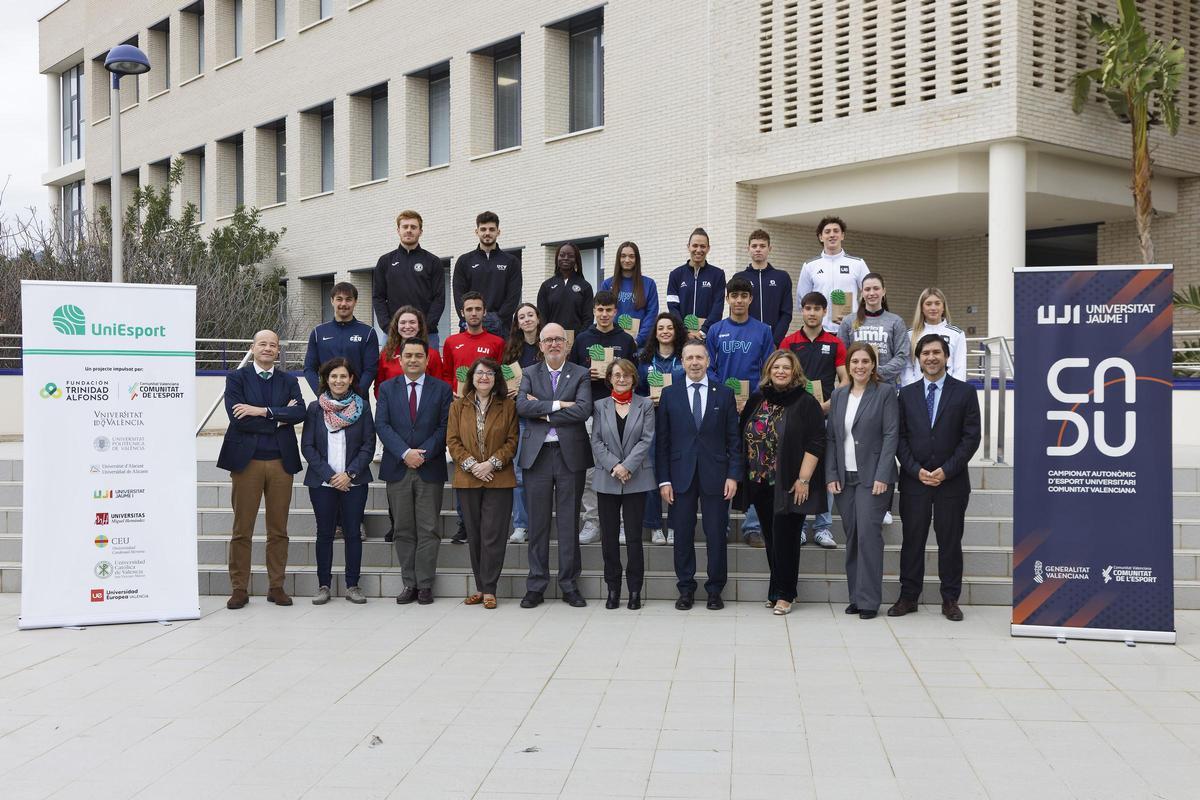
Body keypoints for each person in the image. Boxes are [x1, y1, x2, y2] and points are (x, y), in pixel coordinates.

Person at [890, 333, 981, 622]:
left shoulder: (965, 393)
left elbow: (971, 437)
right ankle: (908, 597)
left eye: (936, 352)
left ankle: (950, 599)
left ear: (946, 357)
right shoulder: (906, 394)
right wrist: (915, 469)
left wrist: (947, 470)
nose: (931, 357)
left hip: (951, 482)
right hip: (915, 481)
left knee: (950, 542)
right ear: (918, 360)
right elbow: (899, 438)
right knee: (912, 540)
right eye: (925, 353)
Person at [216, 329, 305, 609]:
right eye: (262, 344)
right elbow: (238, 419)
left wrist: (261, 411)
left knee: (278, 529)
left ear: (278, 351)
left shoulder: (289, 380)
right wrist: (279, 415)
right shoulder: (236, 379)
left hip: (281, 462)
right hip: (247, 462)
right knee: (243, 529)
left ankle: (276, 586)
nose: (268, 348)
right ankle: (239, 588)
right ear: (252, 348)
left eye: (273, 345)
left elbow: (300, 412)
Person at [734, 350, 826, 615]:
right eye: (776, 367)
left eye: (786, 368)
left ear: (794, 372)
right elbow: (744, 433)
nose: (781, 372)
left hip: (789, 482)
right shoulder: (756, 400)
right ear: (769, 371)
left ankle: (784, 594)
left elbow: (817, 442)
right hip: (759, 481)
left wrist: (803, 479)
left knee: (786, 538)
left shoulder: (805, 402)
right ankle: (780, 590)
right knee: (772, 538)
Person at [656, 340, 743, 611]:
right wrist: (664, 479)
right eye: (689, 358)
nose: (694, 362)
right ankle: (686, 589)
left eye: (699, 358)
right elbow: (663, 442)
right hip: (680, 476)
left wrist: (733, 475)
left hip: (716, 475)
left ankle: (715, 589)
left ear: (708, 361)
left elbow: (734, 440)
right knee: (682, 534)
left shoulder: (724, 394)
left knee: (716, 534)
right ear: (682, 362)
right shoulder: (670, 394)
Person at [516, 323, 594, 608]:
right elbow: (522, 407)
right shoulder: (528, 373)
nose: (553, 344)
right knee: (537, 524)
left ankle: (569, 584)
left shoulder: (581, 373)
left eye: (558, 339)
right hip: (537, 456)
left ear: (567, 343)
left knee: (568, 523)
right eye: (547, 340)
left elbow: (584, 409)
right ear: (540, 344)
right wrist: (561, 404)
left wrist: (545, 411)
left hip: (568, 455)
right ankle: (536, 585)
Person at [375, 338, 453, 605]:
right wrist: (404, 453)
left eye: (418, 355)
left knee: (429, 528)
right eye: (408, 355)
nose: (413, 360)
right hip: (397, 467)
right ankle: (409, 583)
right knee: (404, 529)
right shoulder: (386, 388)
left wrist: (423, 453)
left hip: (429, 467)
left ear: (427, 359)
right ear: (399, 359)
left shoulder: (442, 389)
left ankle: (426, 585)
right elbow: (382, 425)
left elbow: (444, 427)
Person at [825, 342, 898, 620]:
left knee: (869, 536)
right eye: (854, 361)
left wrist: (882, 474)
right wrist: (831, 474)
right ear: (848, 365)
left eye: (865, 361)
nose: (859, 366)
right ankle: (856, 596)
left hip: (873, 478)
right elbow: (832, 437)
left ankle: (868, 600)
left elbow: (891, 434)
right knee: (853, 536)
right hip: (845, 479)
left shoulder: (885, 393)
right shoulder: (839, 395)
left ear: (873, 365)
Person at [704, 275, 776, 548]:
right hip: (721, 406)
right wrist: (724, 396)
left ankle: (753, 526)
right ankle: (719, 525)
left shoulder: (763, 331)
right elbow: (709, 368)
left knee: (756, 464)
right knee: (721, 463)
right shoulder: (715, 330)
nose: (738, 301)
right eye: (734, 296)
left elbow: (770, 368)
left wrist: (753, 397)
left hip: (755, 407)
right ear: (727, 298)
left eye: (744, 296)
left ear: (750, 299)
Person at [300, 357, 376, 605]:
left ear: (351, 379)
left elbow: (368, 445)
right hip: (323, 483)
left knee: (353, 533)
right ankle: (324, 585)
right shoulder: (315, 408)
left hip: (354, 481)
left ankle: (352, 585)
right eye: (333, 376)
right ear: (326, 379)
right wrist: (331, 476)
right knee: (324, 533)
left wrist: (349, 474)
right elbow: (308, 447)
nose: (338, 380)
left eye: (343, 376)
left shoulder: (362, 406)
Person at [447, 357, 519, 610]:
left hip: (498, 478)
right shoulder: (458, 406)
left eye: (489, 373)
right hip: (468, 478)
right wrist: (472, 466)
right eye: (479, 373)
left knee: (493, 535)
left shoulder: (508, 405)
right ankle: (480, 586)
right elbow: (453, 441)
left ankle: (490, 589)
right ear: (472, 377)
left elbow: (512, 441)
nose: (484, 377)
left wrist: (490, 464)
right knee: (475, 535)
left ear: (496, 378)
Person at [569, 291, 638, 545]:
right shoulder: (582, 339)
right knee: (590, 470)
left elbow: (634, 375)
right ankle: (592, 521)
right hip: (589, 410)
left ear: (615, 312)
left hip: (620, 411)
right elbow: (572, 374)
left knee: (619, 465)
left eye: (609, 310)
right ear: (594, 311)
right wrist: (587, 374)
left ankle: (621, 523)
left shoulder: (625, 340)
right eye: (600, 309)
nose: (605, 314)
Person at [780, 291, 848, 549]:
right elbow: (780, 374)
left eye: (817, 309)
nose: (811, 313)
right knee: (795, 469)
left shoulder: (834, 343)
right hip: (794, 416)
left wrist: (827, 405)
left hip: (825, 415)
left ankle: (823, 527)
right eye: (807, 308)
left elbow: (846, 379)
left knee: (825, 470)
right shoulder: (789, 342)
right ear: (802, 310)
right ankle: (798, 525)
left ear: (824, 312)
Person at [590, 359, 656, 610]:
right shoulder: (599, 406)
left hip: (636, 478)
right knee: (608, 538)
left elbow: (646, 439)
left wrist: (626, 466)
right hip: (608, 478)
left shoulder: (646, 405)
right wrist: (614, 466)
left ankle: (635, 590)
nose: (621, 379)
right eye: (616, 375)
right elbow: (596, 441)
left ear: (633, 378)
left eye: (626, 375)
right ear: (609, 378)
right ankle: (613, 588)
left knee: (633, 538)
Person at [636, 312, 687, 546]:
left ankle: (676, 526)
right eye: (660, 328)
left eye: (669, 327)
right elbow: (635, 392)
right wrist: (647, 399)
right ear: (654, 333)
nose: (665, 331)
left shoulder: (684, 359)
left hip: (679, 422)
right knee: (651, 472)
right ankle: (655, 526)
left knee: (677, 473)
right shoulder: (644, 360)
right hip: (651, 421)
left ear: (676, 331)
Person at [372, 209, 446, 348]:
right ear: (398, 230)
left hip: (427, 335)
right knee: (390, 370)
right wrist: (388, 327)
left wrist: (425, 327)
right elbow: (378, 298)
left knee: (429, 370)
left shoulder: (433, 261)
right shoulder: (385, 261)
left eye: (413, 227)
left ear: (420, 231)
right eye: (405, 227)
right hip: (392, 335)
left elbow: (439, 298)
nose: (409, 230)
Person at [502, 303, 543, 545]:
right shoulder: (512, 351)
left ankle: (539, 522)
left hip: (545, 418)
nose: (526, 320)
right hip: (521, 419)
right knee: (518, 473)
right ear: (517, 323)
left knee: (542, 474)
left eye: (530, 315)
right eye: (522, 317)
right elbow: (506, 381)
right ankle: (521, 524)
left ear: (538, 318)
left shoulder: (548, 344)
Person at [303, 282, 379, 398]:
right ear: (332, 301)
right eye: (339, 299)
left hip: (358, 403)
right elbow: (309, 369)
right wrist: (322, 395)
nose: (343, 304)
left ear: (355, 302)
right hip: (326, 404)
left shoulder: (368, 332)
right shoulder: (318, 332)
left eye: (348, 299)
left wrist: (355, 397)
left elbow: (370, 370)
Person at [452, 211, 521, 335]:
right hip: (470, 328)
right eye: (483, 229)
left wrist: (497, 319)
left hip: (501, 328)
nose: (487, 233)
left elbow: (513, 296)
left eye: (491, 229)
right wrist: (472, 318)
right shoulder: (464, 261)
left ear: (498, 232)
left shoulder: (511, 262)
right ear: (476, 231)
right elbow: (459, 296)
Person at [797, 216, 871, 333]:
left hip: (850, 329)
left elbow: (870, 295)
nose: (832, 235)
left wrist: (859, 319)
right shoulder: (809, 266)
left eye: (836, 231)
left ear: (842, 235)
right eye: (827, 232)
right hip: (820, 331)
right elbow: (802, 300)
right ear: (821, 237)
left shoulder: (858, 263)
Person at [736, 229, 793, 345]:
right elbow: (735, 311)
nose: (758, 249)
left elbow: (786, 313)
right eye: (754, 246)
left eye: (762, 246)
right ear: (748, 249)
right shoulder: (739, 277)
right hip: (746, 341)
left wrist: (775, 341)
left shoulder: (782, 277)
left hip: (774, 342)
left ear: (769, 249)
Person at [666, 227, 725, 338]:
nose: (698, 250)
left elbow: (717, 307)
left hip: (707, 337)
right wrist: (684, 332)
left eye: (702, 246)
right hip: (682, 337)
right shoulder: (675, 274)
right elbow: (673, 308)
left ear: (708, 248)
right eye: (695, 245)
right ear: (688, 247)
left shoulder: (718, 275)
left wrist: (703, 332)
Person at [442, 291, 506, 394]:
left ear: (484, 312)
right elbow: (446, 374)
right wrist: (450, 393)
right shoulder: (451, 342)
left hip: (488, 401)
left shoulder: (498, 343)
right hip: (459, 402)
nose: (474, 313)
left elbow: (500, 374)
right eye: (469, 309)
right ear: (462, 313)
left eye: (478, 309)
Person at [598, 241, 659, 348]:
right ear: (618, 259)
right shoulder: (607, 284)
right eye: (623, 256)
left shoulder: (649, 284)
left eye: (631, 256)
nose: (627, 260)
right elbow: (602, 313)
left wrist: (638, 340)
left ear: (636, 259)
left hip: (639, 345)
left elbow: (651, 315)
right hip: (612, 343)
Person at [901, 287, 967, 385]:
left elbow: (960, 367)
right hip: (918, 391)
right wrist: (912, 390)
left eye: (937, 303)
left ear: (943, 307)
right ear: (922, 308)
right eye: (928, 304)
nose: (933, 308)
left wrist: (954, 390)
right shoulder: (910, 334)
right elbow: (907, 367)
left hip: (948, 391)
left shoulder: (957, 334)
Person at [375, 306, 443, 398]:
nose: (407, 326)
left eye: (412, 322)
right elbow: (379, 386)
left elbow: (439, 387)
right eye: (403, 322)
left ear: (419, 326)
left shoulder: (432, 355)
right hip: (392, 408)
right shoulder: (386, 354)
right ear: (396, 326)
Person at [536, 242, 594, 336]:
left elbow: (588, 319)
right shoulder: (546, 286)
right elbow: (541, 316)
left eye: (570, 256)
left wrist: (580, 338)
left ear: (576, 260)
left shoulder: (585, 286)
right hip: (552, 339)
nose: (566, 258)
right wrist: (548, 336)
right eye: (562, 255)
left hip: (576, 341)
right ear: (557, 258)